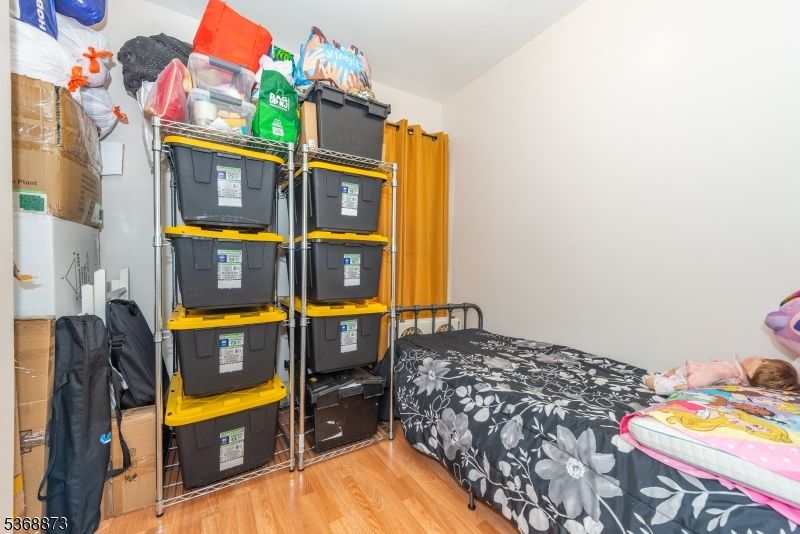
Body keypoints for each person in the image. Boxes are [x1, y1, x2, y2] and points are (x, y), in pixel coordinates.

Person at [643, 356, 800, 395]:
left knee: (662, 383)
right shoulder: (742, 384)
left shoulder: (727, 371)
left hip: (686, 382)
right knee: (676, 370)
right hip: (690, 377)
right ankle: (664, 375)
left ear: (752, 372)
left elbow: (697, 381)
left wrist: (687, 384)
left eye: (763, 360)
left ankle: (652, 380)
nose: (759, 355)